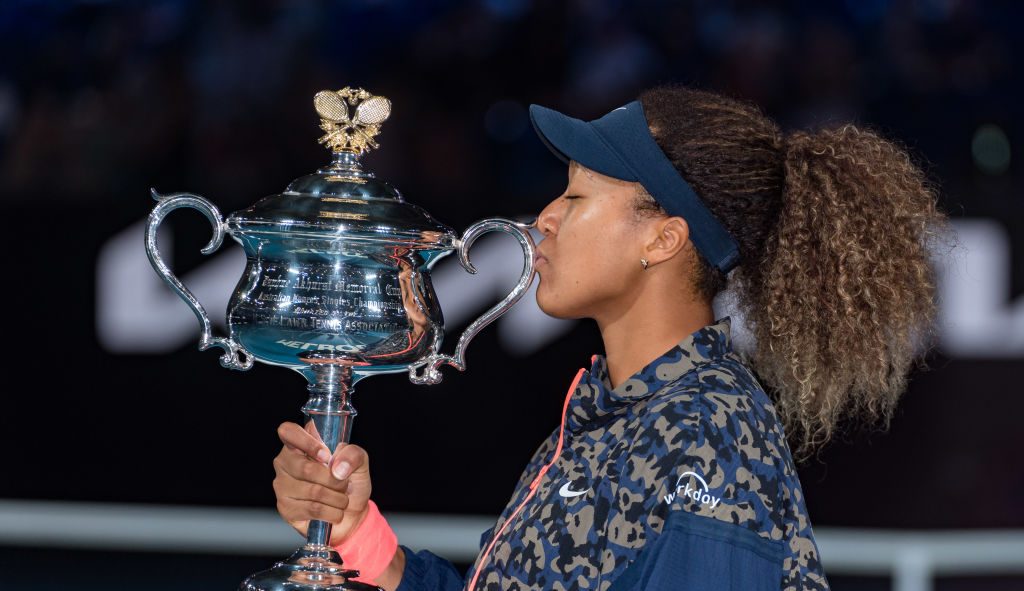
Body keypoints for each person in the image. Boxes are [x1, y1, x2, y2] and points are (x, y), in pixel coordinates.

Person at [271, 85, 948, 590]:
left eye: (576, 197)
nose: (545, 218)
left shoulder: (708, 435)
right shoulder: (610, 416)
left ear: (662, 237)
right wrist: (360, 535)